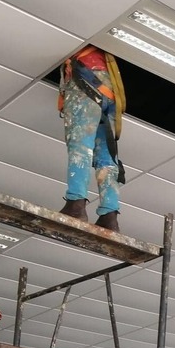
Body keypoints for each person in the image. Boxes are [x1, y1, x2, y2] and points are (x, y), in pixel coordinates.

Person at [57, 46, 126, 232]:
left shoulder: (77, 43)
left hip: (85, 79)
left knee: (80, 144)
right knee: (106, 157)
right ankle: (109, 216)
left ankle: (75, 203)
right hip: (109, 89)